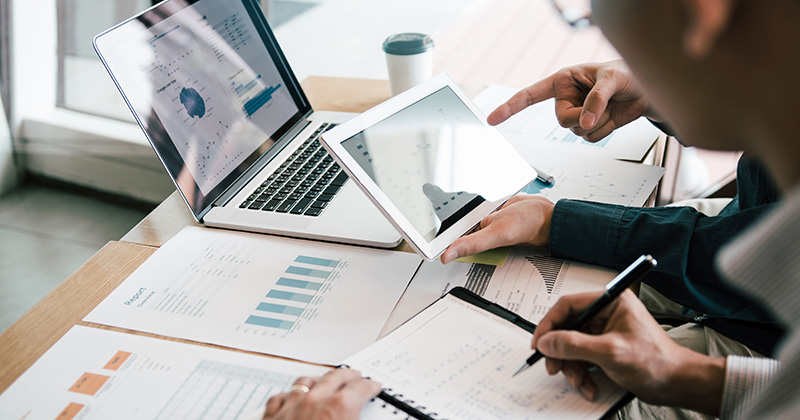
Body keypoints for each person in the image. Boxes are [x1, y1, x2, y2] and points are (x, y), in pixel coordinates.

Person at [263, 0, 800, 418]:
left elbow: (735, 259)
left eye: (586, 12)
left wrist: (557, 221)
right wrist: (683, 375)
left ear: (700, 10)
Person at [440, 59, 783, 358]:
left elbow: (754, 255)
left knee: (574, 390)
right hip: (742, 216)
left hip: (770, 336)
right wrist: (654, 94)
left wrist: (552, 223)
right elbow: (767, 118)